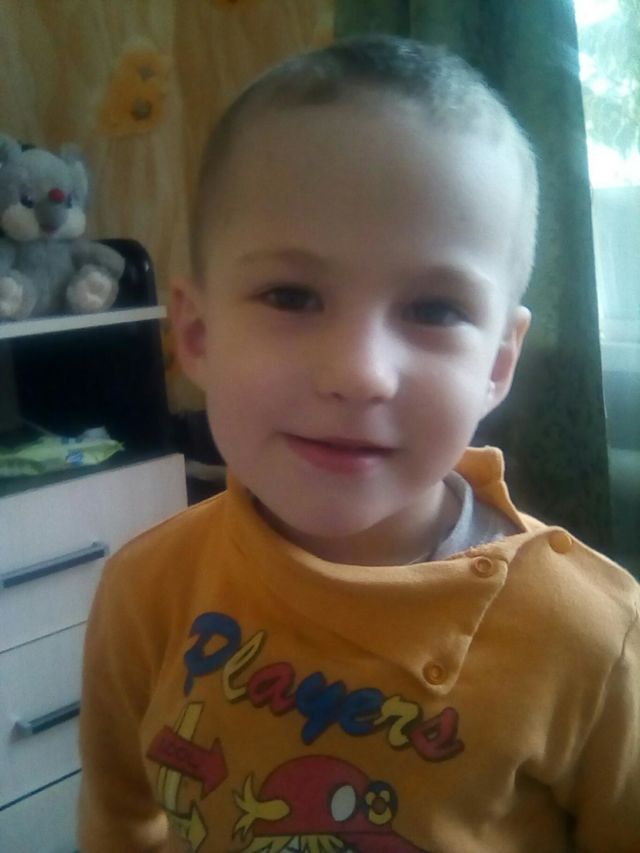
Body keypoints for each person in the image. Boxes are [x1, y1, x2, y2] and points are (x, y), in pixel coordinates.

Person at [78, 35, 640, 853]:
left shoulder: (595, 641)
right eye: (292, 295)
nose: (358, 373)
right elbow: (121, 819)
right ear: (196, 333)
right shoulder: (146, 591)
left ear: (497, 364)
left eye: (435, 309)